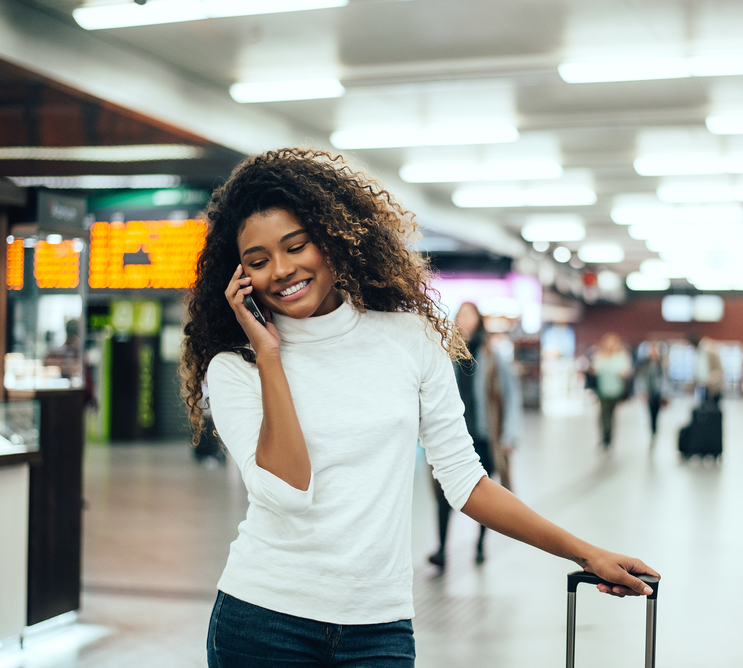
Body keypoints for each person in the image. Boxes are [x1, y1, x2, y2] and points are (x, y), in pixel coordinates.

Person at [179, 148, 659, 668]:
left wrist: (586, 553)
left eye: (297, 246)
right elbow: (288, 491)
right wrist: (271, 356)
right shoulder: (236, 367)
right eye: (258, 260)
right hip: (263, 621)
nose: (282, 269)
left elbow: (467, 482)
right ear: (240, 275)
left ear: (330, 236)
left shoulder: (410, 338)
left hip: (378, 629)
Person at [428, 302, 521, 569]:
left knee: (483, 494)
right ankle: (442, 550)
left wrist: (509, 436)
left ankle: (480, 545)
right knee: (443, 494)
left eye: (468, 315)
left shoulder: (492, 355)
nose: (462, 320)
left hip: (483, 437)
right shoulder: (446, 353)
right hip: (453, 437)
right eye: (459, 315)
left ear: (479, 321)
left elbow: (511, 395)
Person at [590, 333, 632, 449]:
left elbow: (626, 372)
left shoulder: (621, 356)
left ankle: (609, 437)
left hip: (615, 390)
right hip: (602, 390)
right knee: (603, 415)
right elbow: (594, 370)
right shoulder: (599, 356)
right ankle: (604, 437)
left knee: (611, 414)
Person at [640, 342, 668, 442]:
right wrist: (643, 391)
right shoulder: (645, 364)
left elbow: (664, 379)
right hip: (649, 392)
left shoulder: (661, 364)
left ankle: (655, 430)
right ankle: (652, 430)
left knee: (657, 413)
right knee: (650, 412)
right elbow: (642, 378)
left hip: (658, 393)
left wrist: (664, 393)